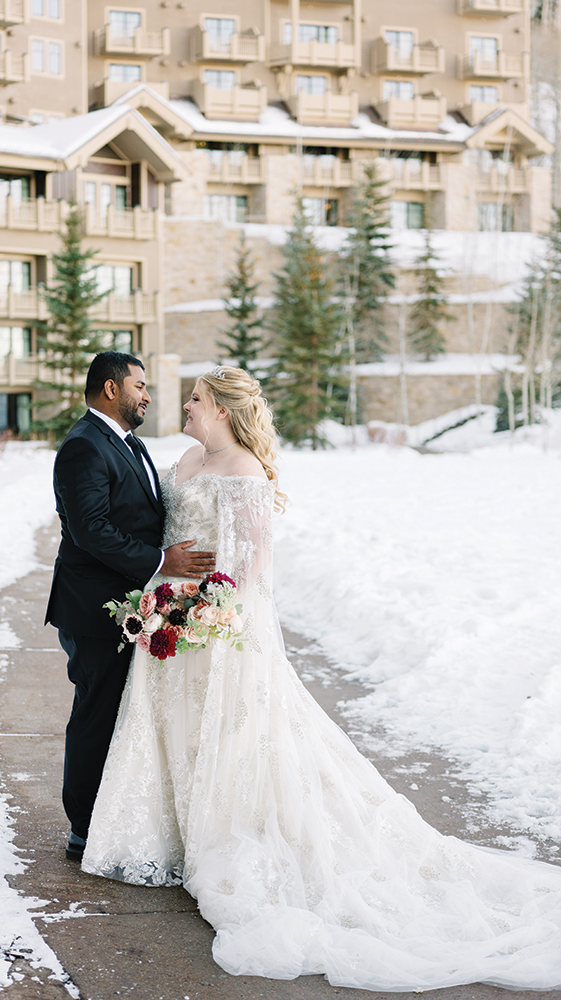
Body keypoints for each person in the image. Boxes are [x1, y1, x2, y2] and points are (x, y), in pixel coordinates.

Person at [81, 366, 561, 990]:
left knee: (228, 736)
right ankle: (170, 835)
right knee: (172, 729)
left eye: (197, 400)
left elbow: (252, 569)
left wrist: (203, 614)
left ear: (223, 410)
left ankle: (224, 837)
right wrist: (158, 600)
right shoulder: (186, 460)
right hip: (166, 618)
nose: (187, 407)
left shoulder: (247, 473)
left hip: (215, 625)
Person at [45, 352, 215, 862]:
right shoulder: (83, 447)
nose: (148, 394)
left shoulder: (124, 442)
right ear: (111, 389)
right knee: (96, 715)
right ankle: (84, 826)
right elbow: (90, 529)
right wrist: (163, 560)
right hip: (94, 609)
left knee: (120, 713)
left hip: (126, 603)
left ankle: (110, 816)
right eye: (140, 385)